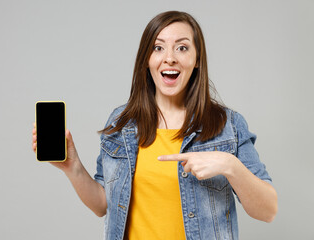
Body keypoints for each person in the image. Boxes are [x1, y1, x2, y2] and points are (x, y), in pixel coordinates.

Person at [32, 11, 277, 240]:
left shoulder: (228, 125)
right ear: (147, 59)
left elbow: (268, 210)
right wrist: (72, 167)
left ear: (197, 59)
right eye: (158, 48)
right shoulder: (121, 122)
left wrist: (230, 165)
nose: (169, 57)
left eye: (182, 48)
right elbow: (102, 205)